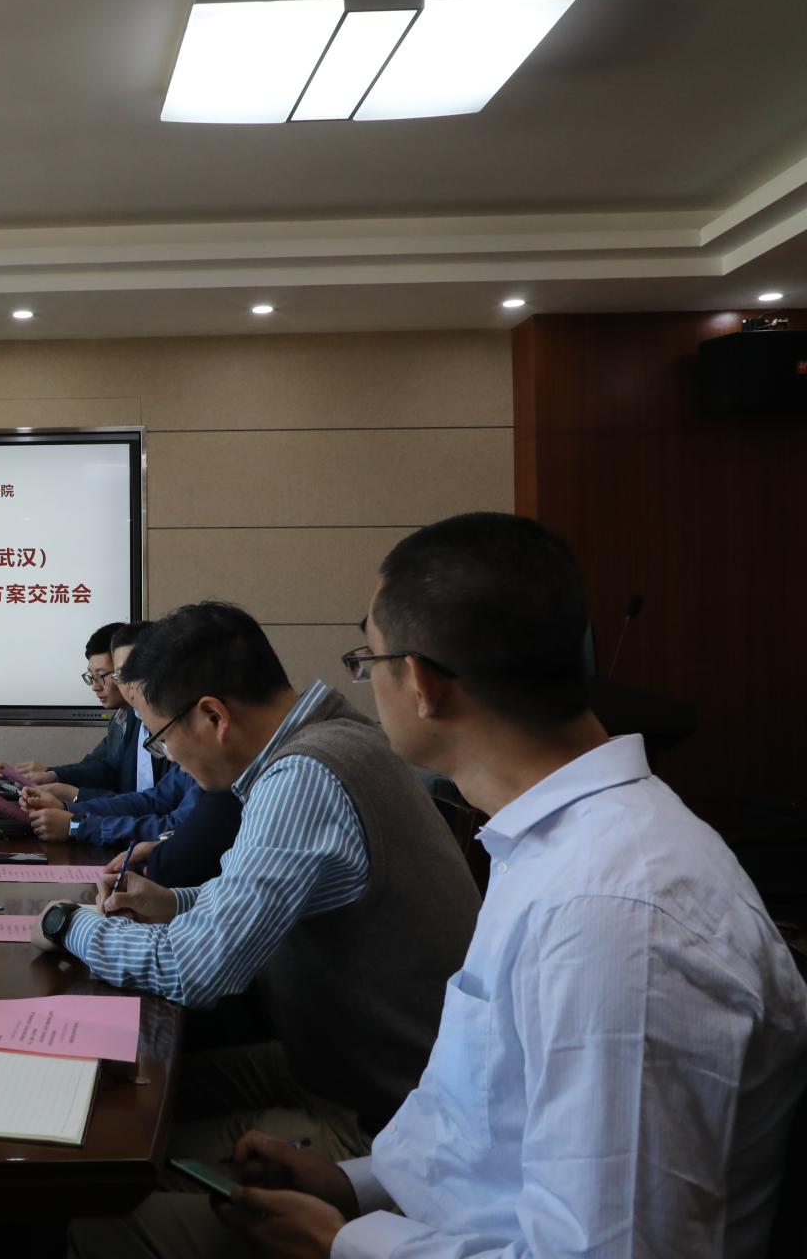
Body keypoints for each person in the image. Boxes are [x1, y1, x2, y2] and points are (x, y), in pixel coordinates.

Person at [210, 513, 807, 1259]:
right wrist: (350, 1186)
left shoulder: (612, 912)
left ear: (421, 682)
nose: (368, 682)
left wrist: (347, 1244)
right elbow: (492, 1130)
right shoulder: (552, 846)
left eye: (368, 659)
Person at [41, 601, 479, 1219]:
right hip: (336, 1061)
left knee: (94, 1198)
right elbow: (260, 895)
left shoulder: (302, 777)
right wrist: (173, 901)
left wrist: (67, 924)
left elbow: (194, 972)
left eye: (161, 739)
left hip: (380, 1116)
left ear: (213, 716)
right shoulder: (339, 739)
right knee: (114, 1094)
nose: (168, 759)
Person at [21, 622, 199, 847]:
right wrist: (68, 806)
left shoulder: (202, 749)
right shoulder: (129, 718)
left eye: (123, 675)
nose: (127, 686)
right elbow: (151, 799)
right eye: (121, 676)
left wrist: (76, 820)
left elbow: (174, 827)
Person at [1, 620, 129, 787]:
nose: (95, 686)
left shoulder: (144, 721)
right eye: (92, 676)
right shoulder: (119, 720)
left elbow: (113, 777)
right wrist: (48, 774)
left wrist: (71, 797)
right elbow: (93, 767)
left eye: (101, 675)